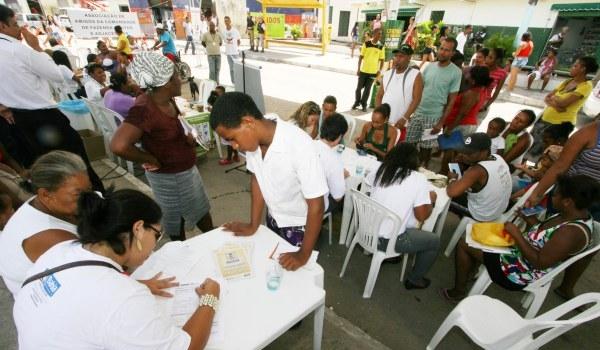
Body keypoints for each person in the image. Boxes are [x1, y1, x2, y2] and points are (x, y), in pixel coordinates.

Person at [13, 189, 220, 349]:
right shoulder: (122, 296)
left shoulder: (60, 251)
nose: (154, 244)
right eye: (157, 234)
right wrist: (209, 299)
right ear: (138, 229)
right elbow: (187, 347)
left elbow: (79, 295)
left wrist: (134, 283)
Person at [210, 92, 328, 271]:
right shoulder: (254, 142)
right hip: (273, 218)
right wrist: (253, 224)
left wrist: (303, 254)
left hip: (300, 226)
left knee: (293, 281)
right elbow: (257, 179)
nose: (234, 146)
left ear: (248, 122)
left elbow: (316, 206)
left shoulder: (300, 145)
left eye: (232, 138)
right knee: (268, 269)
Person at [442, 174, 596, 302]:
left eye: (556, 194)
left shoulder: (570, 233)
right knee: (478, 237)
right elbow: (547, 238)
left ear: (567, 202)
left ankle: (459, 291)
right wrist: (531, 220)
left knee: (464, 244)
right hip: (521, 255)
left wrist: (516, 235)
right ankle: (470, 272)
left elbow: (539, 262)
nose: (552, 197)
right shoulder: (571, 215)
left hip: (519, 272)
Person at [111, 51, 214, 241]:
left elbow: (167, 131)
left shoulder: (165, 100)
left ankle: (212, 240)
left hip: (185, 171)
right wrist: (149, 158)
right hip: (170, 178)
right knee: (176, 221)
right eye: (176, 76)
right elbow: (119, 145)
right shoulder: (145, 108)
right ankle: (182, 252)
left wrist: (187, 139)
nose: (179, 80)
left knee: (200, 210)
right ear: (165, 82)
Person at [0, 5, 103, 192]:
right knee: (75, 163)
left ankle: (69, 202)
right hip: (44, 118)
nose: (20, 30)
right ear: (2, 26)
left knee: (52, 168)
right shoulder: (18, 50)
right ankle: (95, 200)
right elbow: (56, 74)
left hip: (20, 119)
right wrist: (36, 47)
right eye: (15, 24)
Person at [527, 121, 600, 299]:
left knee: (590, 245)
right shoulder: (589, 132)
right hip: (570, 197)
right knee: (553, 236)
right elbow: (560, 165)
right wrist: (537, 194)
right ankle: (534, 275)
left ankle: (566, 287)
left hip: (597, 202)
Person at [0, 151, 89, 295]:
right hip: (48, 302)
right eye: (78, 194)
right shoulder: (51, 236)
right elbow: (93, 275)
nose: (90, 197)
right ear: (46, 195)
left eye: (89, 189)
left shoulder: (41, 203)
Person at [365, 143, 439, 289]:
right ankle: (415, 279)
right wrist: (431, 200)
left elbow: (367, 182)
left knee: (397, 219)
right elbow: (422, 216)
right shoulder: (419, 179)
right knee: (434, 241)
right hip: (389, 240)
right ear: (414, 160)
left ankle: (389, 256)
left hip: (366, 230)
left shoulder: (382, 169)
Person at [405, 38, 462, 166]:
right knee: (409, 145)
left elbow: (451, 101)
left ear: (453, 53)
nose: (442, 52)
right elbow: (417, 91)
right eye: (441, 48)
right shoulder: (429, 66)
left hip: (433, 118)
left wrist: (440, 123)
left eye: (447, 50)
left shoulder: (456, 72)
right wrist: (410, 113)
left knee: (426, 150)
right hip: (417, 113)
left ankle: (421, 171)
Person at [528, 57, 598, 159]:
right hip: (544, 120)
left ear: (583, 69)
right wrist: (557, 104)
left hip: (560, 125)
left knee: (547, 154)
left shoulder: (586, 86)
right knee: (531, 146)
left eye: (575, 66)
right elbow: (547, 98)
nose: (571, 68)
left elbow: (564, 103)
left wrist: (555, 99)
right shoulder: (567, 82)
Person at [446, 133, 512, 222]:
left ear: (484, 151)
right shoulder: (498, 158)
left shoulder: (477, 170)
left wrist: (452, 178)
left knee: (443, 195)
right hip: (497, 210)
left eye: (470, 153)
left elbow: (452, 192)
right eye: (465, 151)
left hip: (482, 214)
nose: (465, 155)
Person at [376, 44, 423, 129]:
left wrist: (405, 118)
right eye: (396, 56)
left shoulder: (415, 75)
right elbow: (379, 96)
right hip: (383, 123)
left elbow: (417, 99)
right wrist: (378, 115)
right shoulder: (387, 74)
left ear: (409, 58)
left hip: (400, 123)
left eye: (401, 56)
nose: (397, 59)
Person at [315, 113, 349, 212]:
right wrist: (341, 176)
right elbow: (338, 197)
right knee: (342, 199)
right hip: (315, 207)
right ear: (339, 137)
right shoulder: (334, 160)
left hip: (297, 197)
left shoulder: (309, 143)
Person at [352, 28, 384, 112]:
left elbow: (382, 60)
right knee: (358, 89)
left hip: (373, 73)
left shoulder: (381, 46)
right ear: (373, 34)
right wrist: (358, 69)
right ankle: (357, 102)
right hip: (363, 71)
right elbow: (361, 57)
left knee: (367, 90)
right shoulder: (366, 44)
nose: (380, 35)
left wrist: (379, 71)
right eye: (378, 33)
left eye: (381, 34)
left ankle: (364, 104)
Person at [481, 48, 508, 114]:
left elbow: (496, 92)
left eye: (490, 57)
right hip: (472, 100)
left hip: (484, 102)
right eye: (487, 56)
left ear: (497, 60)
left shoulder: (502, 73)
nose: (487, 59)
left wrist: (486, 105)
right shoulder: (480, 67)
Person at [223, 16, 241, 84]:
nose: (226, 22)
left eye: (227, 20)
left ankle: (238, 81)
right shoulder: (224, 31)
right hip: (228, 53)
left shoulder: (235, 30)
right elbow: (225, 40)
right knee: (231, 69)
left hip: (235, 53)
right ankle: (233, 82)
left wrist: (235, 48)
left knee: (236, 68)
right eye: (225, 21)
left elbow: (239, 41)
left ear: (230, 21)